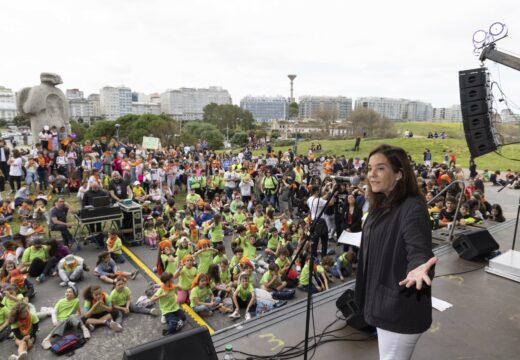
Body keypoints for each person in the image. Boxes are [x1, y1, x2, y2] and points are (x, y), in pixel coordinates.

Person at [355, 144, 437, 360]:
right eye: (369, 167)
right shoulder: (382, 203)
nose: (371, 174)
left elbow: (418, 248)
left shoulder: (412, 208)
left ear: (399, 174)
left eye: (380, 168)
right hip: (383, 304)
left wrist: (419, 268)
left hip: (399, 309)